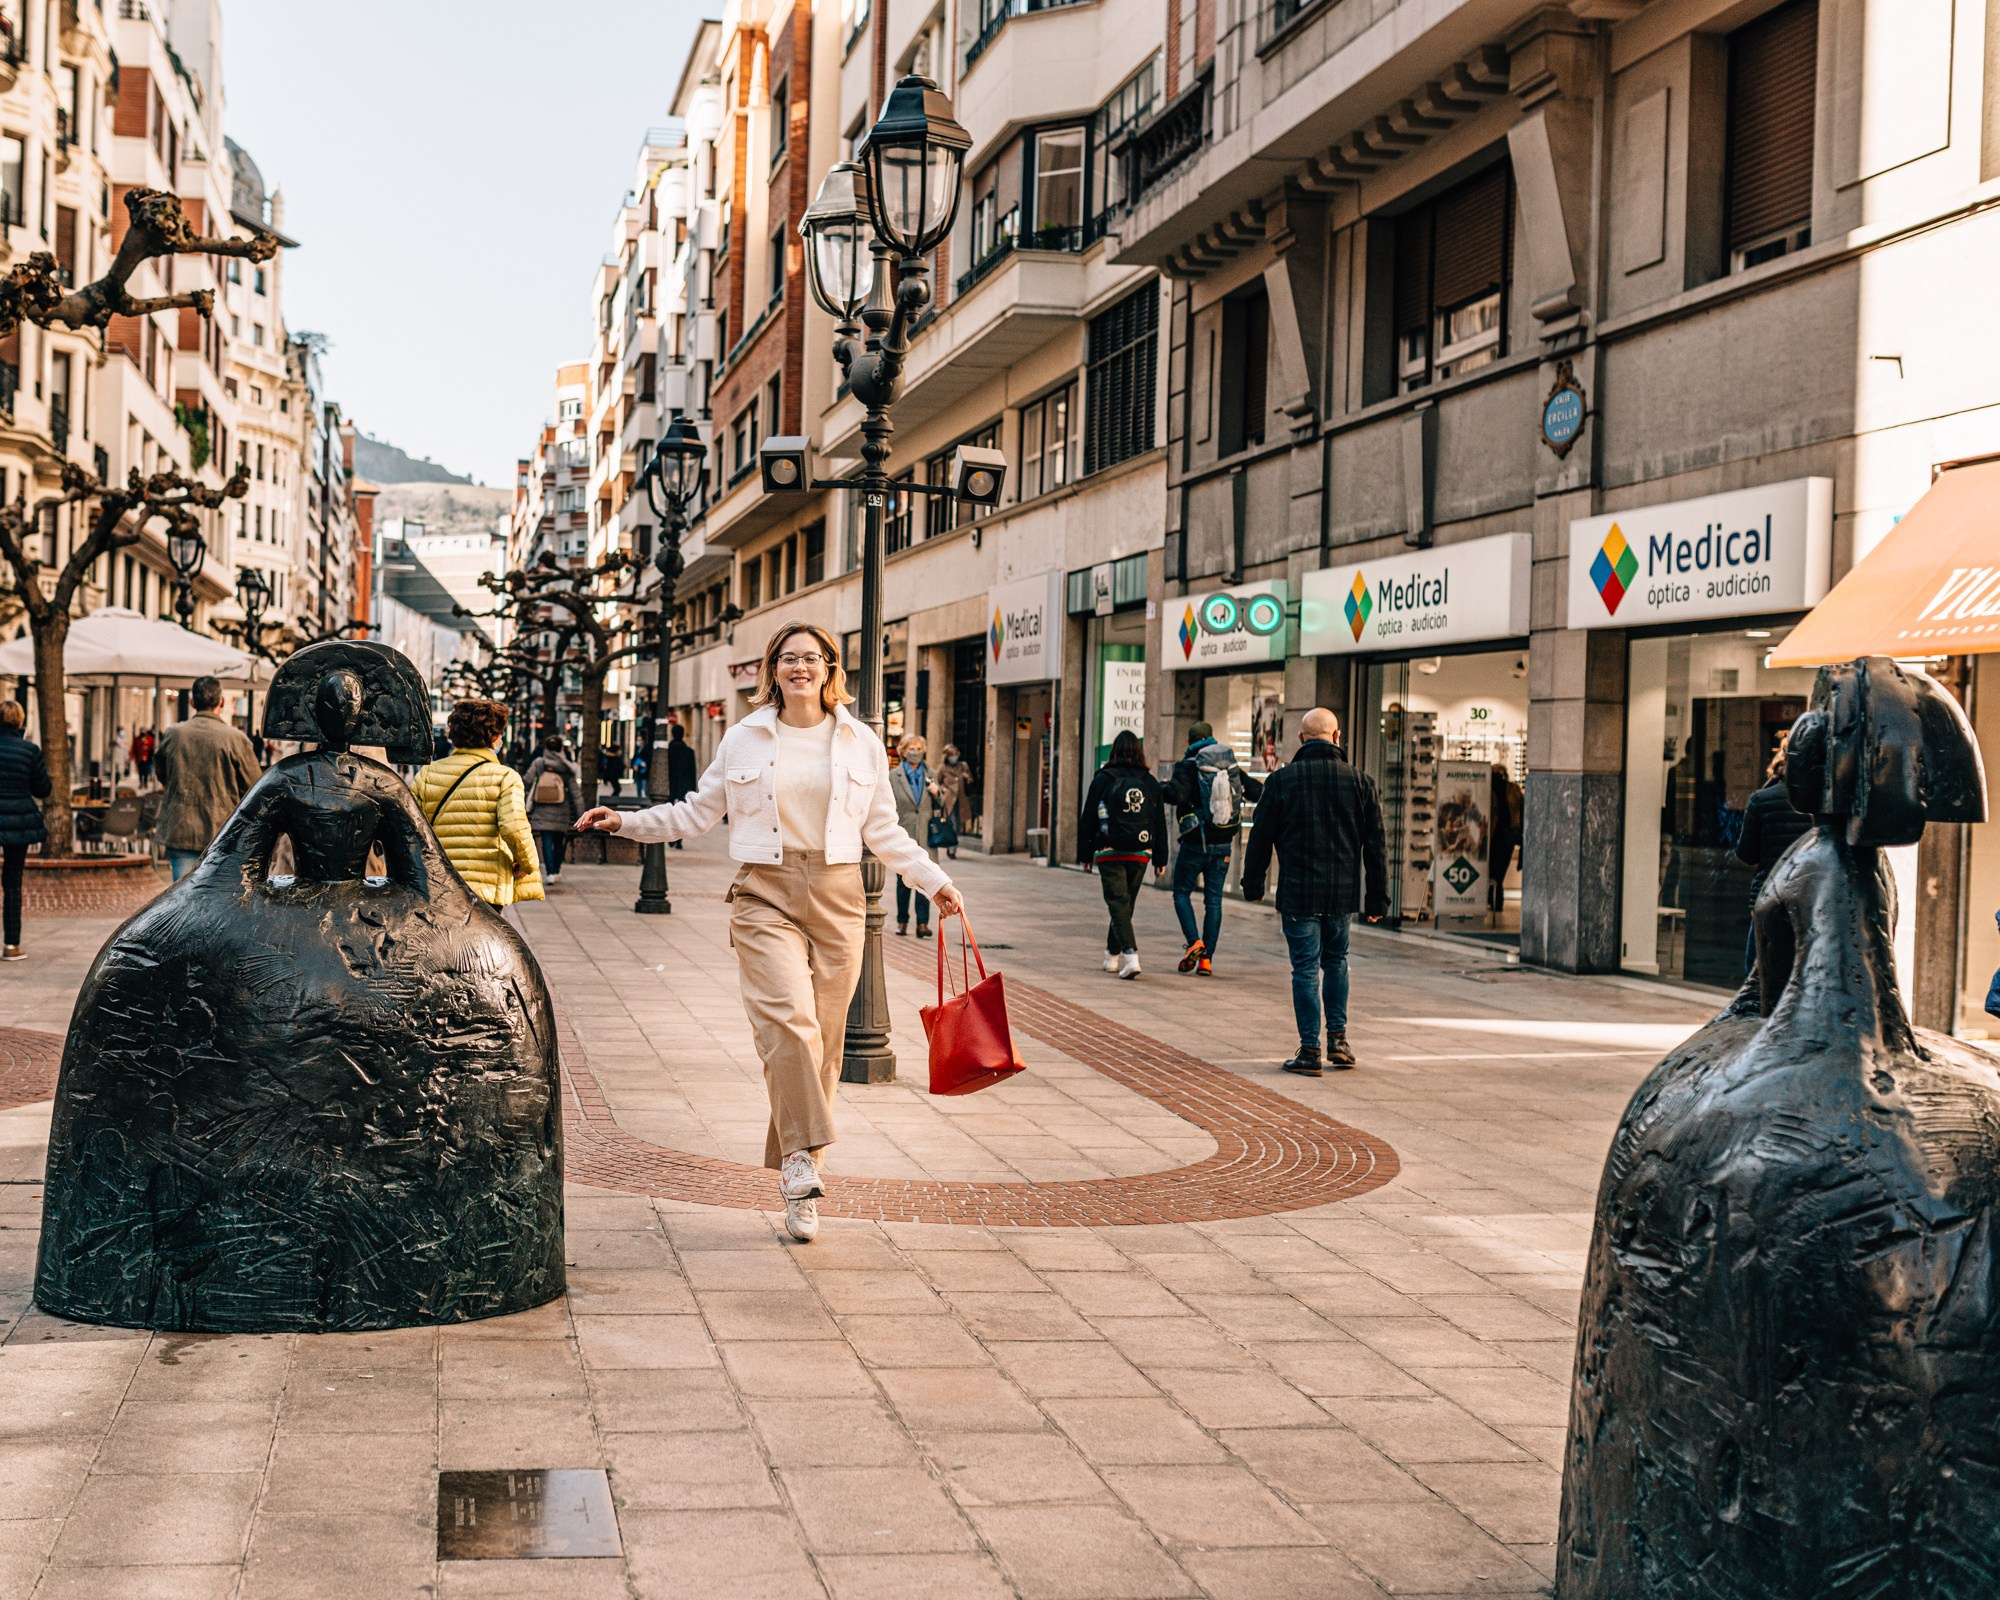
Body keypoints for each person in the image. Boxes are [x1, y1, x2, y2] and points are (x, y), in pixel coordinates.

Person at [577, 622, 962, 1243]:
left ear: (830, 668)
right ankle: (802, 1162)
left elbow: (884, 831)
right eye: (789, 658)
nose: (800, 667)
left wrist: (931, 879)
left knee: (825, 1047)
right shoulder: (746, 737)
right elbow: (697, 812)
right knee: (788, 1022)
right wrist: (624, 820)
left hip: (839, 896)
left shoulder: (861, 741)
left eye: (811, 658)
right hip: (764, 891)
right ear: (773, 669)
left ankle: (801, 1179)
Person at [1242, 708, 1387, 1076]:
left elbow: (1260, 838)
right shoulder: (1361, 782)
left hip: (1298, 891)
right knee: (1336, 961)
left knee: (1305, 968)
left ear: (1302, 740)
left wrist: (1253, 884)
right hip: (1341, 893)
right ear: (1337, 738)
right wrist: (1377, 899)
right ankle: (1338, 1039)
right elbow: (1376, 847)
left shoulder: (1281, 782)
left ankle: (1310, 1050)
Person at [411, 699, 544, 907]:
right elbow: (514, 828)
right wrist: (527, 864)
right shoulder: (504, 778)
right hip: (485, 886)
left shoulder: (428, 774)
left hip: (438, 884)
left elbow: (410, 826)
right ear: (495, 737)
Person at [1167, 721, 1263, 976]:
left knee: (1181, 892)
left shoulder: (1188, 765)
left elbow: (1175, 795)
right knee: (1214, 901)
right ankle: (1206, 960)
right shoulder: (1229, 765)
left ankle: (1194, 942)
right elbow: (1256, 791)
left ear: (1190, 742)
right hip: (1224, 843)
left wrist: (1161, 787)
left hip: (1195, 843)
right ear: (1211, 738)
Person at [1078, 730, 1168, 979]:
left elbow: (1088, 818)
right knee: (1124, 905)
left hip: (1109, 850)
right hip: (1140, 851)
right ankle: (1111, 956)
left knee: (1118, 903)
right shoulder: (1149, 781)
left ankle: (1130, 956)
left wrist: (1085, 854)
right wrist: (1161, 858)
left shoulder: (1103, 778)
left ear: (1114, 751)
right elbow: (1159, 821)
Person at [154, 678, 261, 881]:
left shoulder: (174, 734)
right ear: (221, 702)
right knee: (216, 902)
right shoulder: (235, 739)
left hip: (180, 827)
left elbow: (162, 772)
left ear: (193, 702)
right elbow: (254, 786)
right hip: (222, 831)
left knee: (181, 899)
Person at [1734, 735, 1810, 976]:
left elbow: (1746, 853)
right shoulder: (1818, 803)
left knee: (1758, 974)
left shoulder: (1761, 800)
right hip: (1807, 898)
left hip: (1768, 898)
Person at [0, 700, 51, 960]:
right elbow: (42, 788)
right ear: (20, 721)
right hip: (18, 821)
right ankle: (11, 944)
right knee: (13, 881)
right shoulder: (29, 750)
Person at [890, 734, 938, 938]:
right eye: (911, 748)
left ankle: (922, 924)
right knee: (903, 882)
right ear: (903, 751)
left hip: (926, 835)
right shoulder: (894, 776)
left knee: (925, 881)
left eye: (919, 748)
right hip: (905, 833)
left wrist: (937, 793)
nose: (915, 752)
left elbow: (941, 806)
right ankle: (902, 921)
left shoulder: (931, 773)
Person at [523, 735, 582, 883]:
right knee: (559, 841)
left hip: (541, 808)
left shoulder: (539, 763)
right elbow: (575, 792)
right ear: (562, 748)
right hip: (561, 809)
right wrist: (582, 813)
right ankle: (556, 869)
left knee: (546, 841)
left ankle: (550, 872)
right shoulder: (566, 767)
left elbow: (527, 780)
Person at [932, 744, 975, 860]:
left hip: (961, 800)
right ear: (947, 756)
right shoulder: (943, 767)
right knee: (951, 824)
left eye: (956, 754)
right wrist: (942, 789)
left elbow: (971, 781)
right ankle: (951, 848)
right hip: (948, 800)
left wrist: (968, 778)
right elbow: (936, 781)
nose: (954, 757)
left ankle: (952, 846)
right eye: (951, 755)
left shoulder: (963, 766)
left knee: (958, 826)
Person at [664, 722, 698, 849]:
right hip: (684, 787)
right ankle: (679, 839)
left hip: (670, 786)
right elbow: (692, 772)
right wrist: (693, 791)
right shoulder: (689, 752)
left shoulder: (667, 751)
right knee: (682, 815)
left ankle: (670, 837)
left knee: (669, 813)